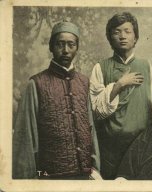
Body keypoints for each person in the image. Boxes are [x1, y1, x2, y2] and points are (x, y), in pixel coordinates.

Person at [13, 21, 101, 179]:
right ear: (51, 47)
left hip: (84, 176)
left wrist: (94, 167)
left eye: (71, 45)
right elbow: (26, 137)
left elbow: (90, 128)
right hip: (49, 178)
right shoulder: (35, 84)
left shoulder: (84, 82)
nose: (66, 50)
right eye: (60, 44)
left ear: (77, 47)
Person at [90, 12, 152, 179]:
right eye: (116, 32)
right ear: (110, 38)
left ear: (135, 37)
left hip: (141, 144)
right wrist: (119, 85)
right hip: (110, 147)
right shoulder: (100, 67)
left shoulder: (146, 66)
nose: (122, 36)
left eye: (127, 31)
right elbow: (95, 109)